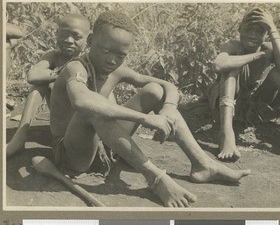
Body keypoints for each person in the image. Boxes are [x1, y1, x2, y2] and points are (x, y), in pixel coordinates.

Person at [49, 10, 250, 208]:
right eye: (105, 50)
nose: (112, 60)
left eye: (120, 55)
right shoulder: (76, 68)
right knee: (95, 109)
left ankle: (202, 163)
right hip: (73, 155)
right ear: (91, 41)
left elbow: (167, 86)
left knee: (153, 91)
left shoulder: (115, 70)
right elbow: (81, 101)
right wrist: (145, 119)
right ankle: (156, 179)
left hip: (104, 143)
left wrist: (169, 108)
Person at [208, 8, 280, 160]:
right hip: (228, 110)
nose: (253, 35)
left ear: (266, 35)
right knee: (231, 68)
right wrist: (257, 55)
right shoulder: (233, 46)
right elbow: (219, 65)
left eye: (260, 31)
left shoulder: (269, 48)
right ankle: (226, 133)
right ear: (239, 29)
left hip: (256, 111)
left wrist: (272, 28)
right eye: (248, 29)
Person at [6, 14, 91, 158]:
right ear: (56, 34)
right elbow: (33, 76)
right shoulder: (54, 56)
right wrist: (62, 75)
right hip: (58, 125)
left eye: (76, 37)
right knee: (39, 86)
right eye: (64, 34)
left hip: (79, 128)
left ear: (88, 39)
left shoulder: (88, 60)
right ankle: (19, 138)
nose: (69, 40)